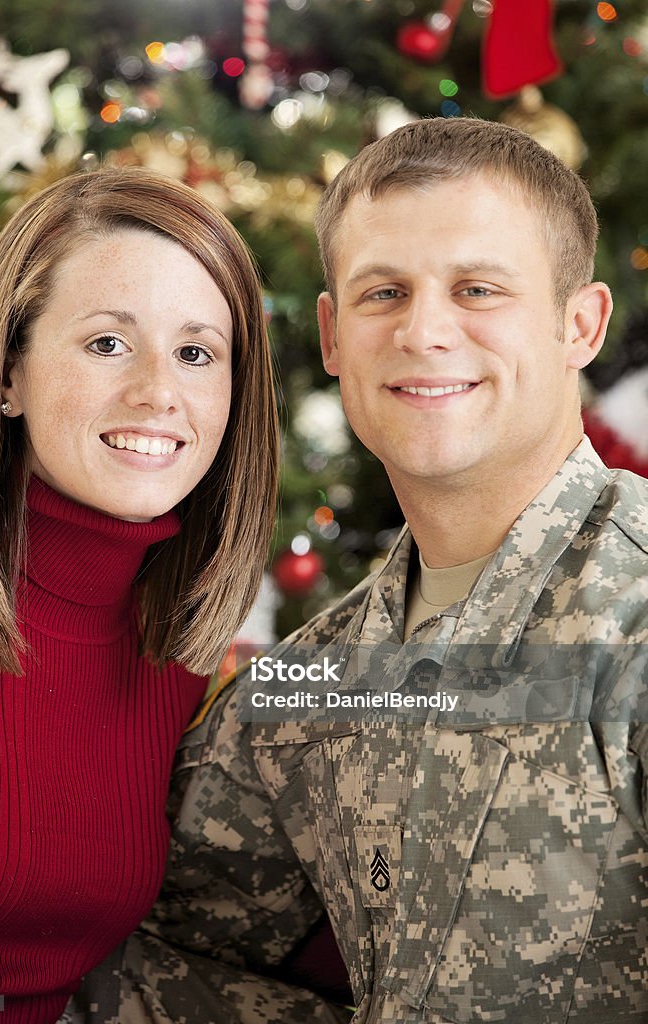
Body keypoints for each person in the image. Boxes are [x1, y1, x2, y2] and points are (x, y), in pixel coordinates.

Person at [73, 118, 648, 1023]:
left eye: (478, 289)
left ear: (580, 324)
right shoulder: (322, 680)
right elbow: (140, 950)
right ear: (334, 337)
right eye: (385, 292)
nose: (423, 331)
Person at [0, 167, 280, 1024]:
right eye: (108, 343)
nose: (160, 391)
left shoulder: (175, 653)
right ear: (9, 375)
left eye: (196, 353)